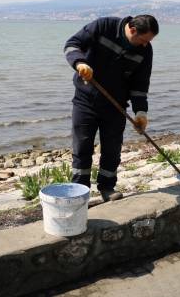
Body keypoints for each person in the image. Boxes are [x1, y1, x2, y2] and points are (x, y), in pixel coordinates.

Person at [64, 15, 158, 201]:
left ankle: (107, 188)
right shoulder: (104, 26)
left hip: (116, 106)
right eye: (143, 40)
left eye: (148, 41)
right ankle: (80, 193)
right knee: (82, 148)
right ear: (132, 30)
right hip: (85, 100)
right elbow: (72, 44)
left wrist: (140, 112)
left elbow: (140, 85)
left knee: (112, 149)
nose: (146, 45)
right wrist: (80, 63)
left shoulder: (145, 51)